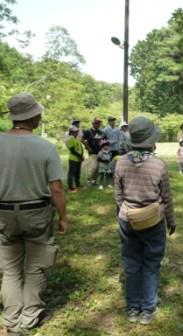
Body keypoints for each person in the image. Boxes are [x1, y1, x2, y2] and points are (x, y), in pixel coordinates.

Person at [0, 93, 69, 334]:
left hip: (4, 215)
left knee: (9, 269)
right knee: (35, 267)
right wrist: (63, 217)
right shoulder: (45, 147)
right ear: (33, 116)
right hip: (37, 212)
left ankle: (11, 319)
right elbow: (56, 188)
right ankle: (29, 318)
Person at [115, 116, 175, 325]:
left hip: (127, 219)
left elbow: (118, 197)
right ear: (151, 141)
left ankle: (133, 307)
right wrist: (171, 220)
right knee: (151, 264)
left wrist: (122, 216)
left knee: (131, 264)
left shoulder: (121, 163)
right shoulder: (159, 165)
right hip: (153, 220)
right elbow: (166, 197)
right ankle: (148, 309)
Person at [82, 117, 105, 186]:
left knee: (98, 168)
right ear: (93, 124)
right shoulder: (88, 131)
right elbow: (82, 139)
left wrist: (104, 148)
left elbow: (103, 141)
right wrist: (87, 147)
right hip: (92, 152)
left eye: (99, 123)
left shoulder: (101, 132)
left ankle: (94, 181)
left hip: (100, 152)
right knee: (93, 167)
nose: (98, 125)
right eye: (97, 123)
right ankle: (89, 181)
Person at [65, 125, 84, 192]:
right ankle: (70, 188)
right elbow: (72, 150)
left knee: (77, 173)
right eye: (75, 132)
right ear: (71, 132)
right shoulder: (70, 139)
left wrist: (81, 155)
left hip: (78, 158)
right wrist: (80, 156)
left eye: (77, 132)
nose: (76, 133)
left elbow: (80, 147)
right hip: (73, 159)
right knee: (71, 173)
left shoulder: (76, 139)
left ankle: (77, 186)